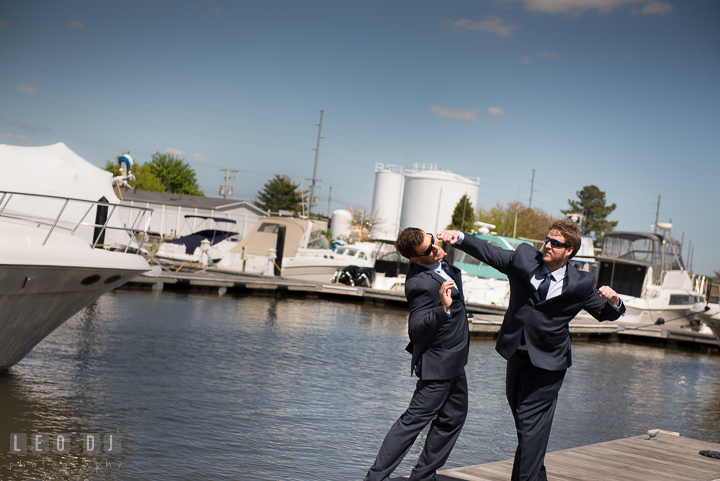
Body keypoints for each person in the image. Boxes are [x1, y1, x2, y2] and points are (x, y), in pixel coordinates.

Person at [438, 220, 625, 481]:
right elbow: (490, 252)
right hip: (516, 355)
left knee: (529, 423)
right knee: (527, 428)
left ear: (569, 251)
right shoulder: (524, 258)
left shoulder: (582, 282)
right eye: (547, 240)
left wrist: (614, 301)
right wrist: (460, 237)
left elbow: (605, 314)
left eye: (555, 243)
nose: (547, 245)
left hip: (549, 364)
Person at [364, 228, 470, 481]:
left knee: (453, 416)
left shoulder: (438, 260)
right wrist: (443, 310)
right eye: (429, 249)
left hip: (454, 360)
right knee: (412, 422)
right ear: (415, 260)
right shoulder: (420, 284)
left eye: (432, 240)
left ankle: (423, 475)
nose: (436, 247)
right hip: (439, 364)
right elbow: (416, 332)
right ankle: (375, 478)